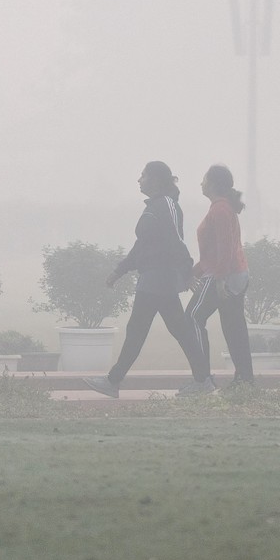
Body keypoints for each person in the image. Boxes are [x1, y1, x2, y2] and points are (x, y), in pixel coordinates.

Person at [83, 161, 216, 398]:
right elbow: (141, 246)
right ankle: (203, 379)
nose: (139, 179)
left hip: (160, 279)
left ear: (155, 179)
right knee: (177, 330)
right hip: (153, 279)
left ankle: (113, 381)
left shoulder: (167, 205)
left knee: (139, 330)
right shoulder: (153, 207)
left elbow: (177, 241)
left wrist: (186, 271)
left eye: (143, 175)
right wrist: (119, 270)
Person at [187, 163, 253, 386]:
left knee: (192, 318)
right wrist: (193, 272)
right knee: (234, 329)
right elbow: (213, 252)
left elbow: (224, 249)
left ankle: (202, 380)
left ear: (213, 183)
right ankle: (244, 380)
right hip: (232, 273)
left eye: (204, 179)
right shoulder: (221, 207)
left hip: (224, 276)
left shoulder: (220, 209)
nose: (201, 183)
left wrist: (220, 280)